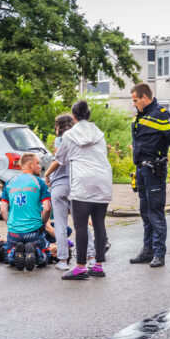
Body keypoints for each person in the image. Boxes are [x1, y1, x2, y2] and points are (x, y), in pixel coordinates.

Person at [45, 100, 112, 280]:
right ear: (88, 115)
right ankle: (98, 266)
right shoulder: (99, 133)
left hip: (82, 183)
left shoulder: (69, 135)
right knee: (99, 224)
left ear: (74, 117)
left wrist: (46, 175)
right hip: (103, 180)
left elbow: (60, 159)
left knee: (80, 225)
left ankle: (80, 267)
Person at [129, 83, 170, 268]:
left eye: (136, 101)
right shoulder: (141, 116)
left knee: (156, 213)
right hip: (141, 170)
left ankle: (159, 253)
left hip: (155, 171)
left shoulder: (162, 114)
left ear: (145, 97)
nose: (134, 104)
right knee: (145, 212)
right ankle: (147, 251)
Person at [45, 113, 95, 271]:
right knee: (81, 223)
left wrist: (46, 175)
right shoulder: (80, 140)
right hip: (76, 183)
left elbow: (58, 161)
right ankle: (92, 257)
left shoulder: (60, 140)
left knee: (60, 224)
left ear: (59, 127)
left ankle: (63, 260)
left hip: (59, 185)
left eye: (55, 125)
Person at [0, 153, 52, 271]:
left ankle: (13, 252)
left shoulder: (9, 183)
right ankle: (36, 251)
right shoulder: (40, 183)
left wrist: (11, 225)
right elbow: (47, 208)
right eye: (38, 163)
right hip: (34, 232)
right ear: (30, 164)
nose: (40, 167)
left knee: (7, 257)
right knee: (46, 257)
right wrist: (42, 224)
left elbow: (3, 209)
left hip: (14, 233)